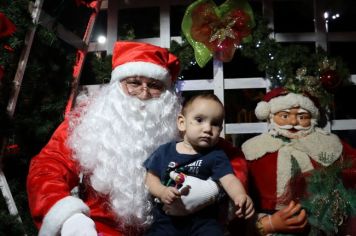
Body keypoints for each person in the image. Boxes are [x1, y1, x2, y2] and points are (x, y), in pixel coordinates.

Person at [26, 42, 247, 236]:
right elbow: (48, 166)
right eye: (133, 82)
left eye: (154, 85)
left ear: (166, 92)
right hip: (100, 228)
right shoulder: (90, 120)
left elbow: (232, 157)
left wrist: (209, 191)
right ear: (118, 85)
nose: (143, 93)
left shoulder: (179, 123)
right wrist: (71, 217)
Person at [241, 87, 356, 235]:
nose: (294, 121)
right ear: (270, 115)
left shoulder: (329, 144)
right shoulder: (253, 149)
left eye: (302, 117)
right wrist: (265, 225)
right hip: (268, 221)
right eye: (284, 116)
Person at [144, 93, 254, 236]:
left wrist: (240, 195)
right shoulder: (164, 151)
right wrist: (161, 191)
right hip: (167, 219)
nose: (208, 129)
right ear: (182, 123)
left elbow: (229, 179)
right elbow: (150, 177)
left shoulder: (216, 155)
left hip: (203, 221)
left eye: (215, 124)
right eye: (199, 120)